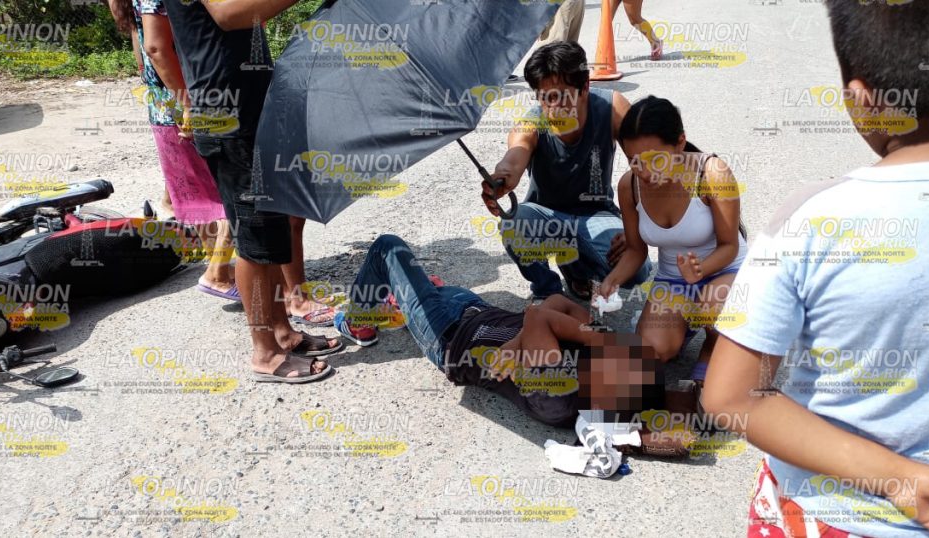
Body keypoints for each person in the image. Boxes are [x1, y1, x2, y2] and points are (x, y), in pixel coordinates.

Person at [702, 1, 929, 536]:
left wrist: (906, 481)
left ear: (860, 98)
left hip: (831, 516)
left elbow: (730, 395)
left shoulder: (808, 218)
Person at [164, 0, 343, 383]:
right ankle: (264, 351)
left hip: (247, 105)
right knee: (255, 237)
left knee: (271, 226)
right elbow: (230, 13)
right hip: (229, 112)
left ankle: (283, 333)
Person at [335, 234, 664, 428]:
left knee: (387, 248)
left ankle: (358, 322)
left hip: (448, 336)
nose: (614, 344)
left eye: (618, 351)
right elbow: (556, 302)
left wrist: (583, 333)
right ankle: (405, 301)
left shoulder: (557, 395)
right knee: (429, 289)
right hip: (474, 308)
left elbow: (540, 313)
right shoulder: (590, 367)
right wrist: (527, 338)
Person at [484, 42, 652, 302]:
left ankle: (577, 269)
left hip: (597, 215)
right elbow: (514, 156)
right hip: (546, 216)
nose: (552, 106)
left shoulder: (613, 108)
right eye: (544, 96)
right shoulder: (531, 123)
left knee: (637, 270)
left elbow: (645, 168)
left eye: (561, 95)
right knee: (515, 221)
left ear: (585, 87)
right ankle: (547, 292)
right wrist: (501, 179)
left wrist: (637, 226)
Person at [599, 95, 747, 386]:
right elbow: (636, 251)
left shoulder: (712, 173)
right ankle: (682, 325)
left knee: (712, 308)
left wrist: (701, 270)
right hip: (673, 280)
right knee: (652, 349)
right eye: (634, 162)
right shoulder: (630, 186)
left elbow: (730, 245)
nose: (645, 172)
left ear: (680, 143)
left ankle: (711, 346)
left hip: (725, 271)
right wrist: (612, 280)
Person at [106, 0, 237, 300]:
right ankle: (216, 273)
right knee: (233, 189)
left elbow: (140, 43)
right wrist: (188, 103)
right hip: (187, 100)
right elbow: (156, 47)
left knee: (200, 195)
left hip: (162, 105)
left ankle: (219, 266)